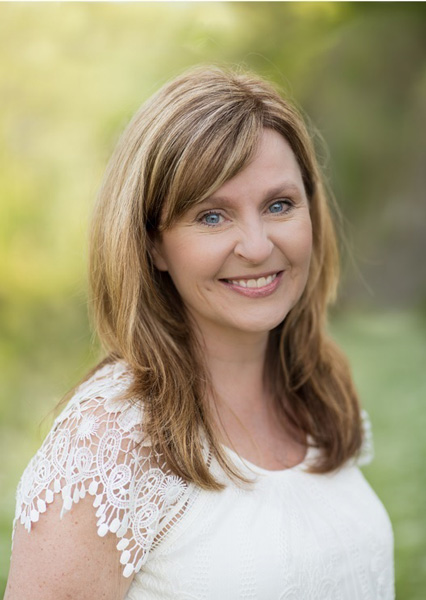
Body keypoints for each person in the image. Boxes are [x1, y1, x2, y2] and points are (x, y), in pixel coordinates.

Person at [5, 66, 394, 600]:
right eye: (212, 216)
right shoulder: (110, 446)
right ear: (153, 245)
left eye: (279, 205)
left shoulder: (321, 394)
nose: (257, 246)